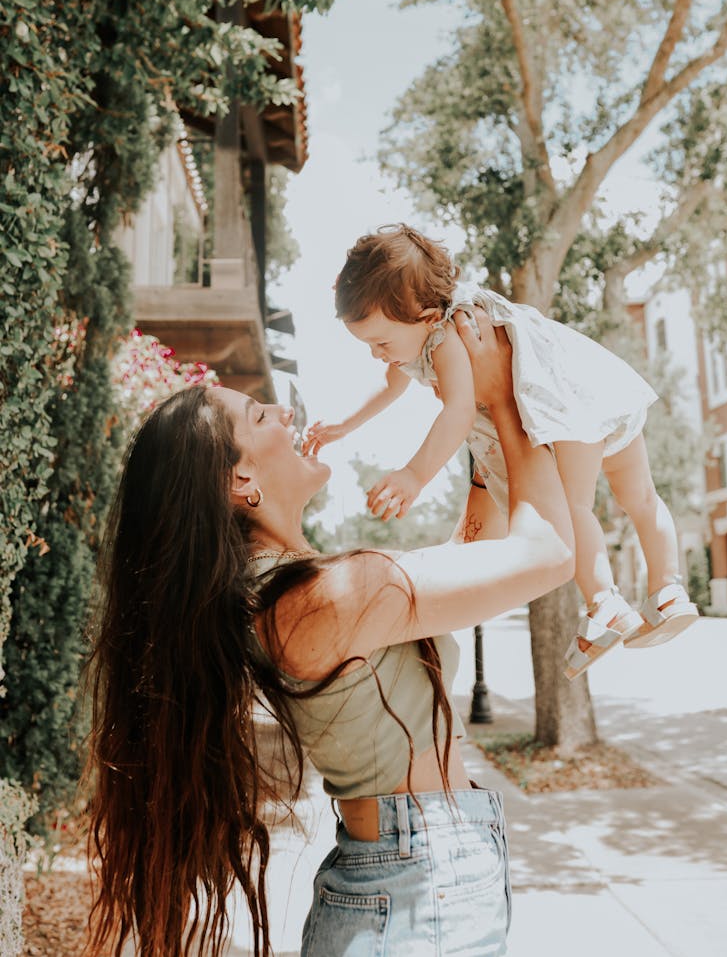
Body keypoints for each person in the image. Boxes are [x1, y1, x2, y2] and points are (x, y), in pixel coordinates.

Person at [84, 308, 573, 957]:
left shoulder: (294, 591)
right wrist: (507, 400)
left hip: (411, 883)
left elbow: (468, 561)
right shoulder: (319, 600)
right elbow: (550, 554)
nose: (287, 414)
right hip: (416, 893)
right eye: (261, 416)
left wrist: (480, 440)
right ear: (242, 479)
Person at [305, 223, 698, 680]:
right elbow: (390, 386)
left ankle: (605, 604)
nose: (377, 354)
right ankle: (668, 590)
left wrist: (414, 474)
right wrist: (344, 425)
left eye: (381, 342)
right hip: (601, 386)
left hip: (566, 411)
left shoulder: (450, 334)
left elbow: (455, 414)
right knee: (642, 498)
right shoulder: (422, 332)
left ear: (425, 314)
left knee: (571, 510)